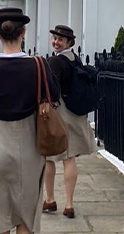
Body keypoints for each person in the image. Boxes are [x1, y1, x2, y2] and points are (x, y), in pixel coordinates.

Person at [0, 8, 60, 234]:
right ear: (23, 33)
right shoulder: (38, 65)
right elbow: (55, 96)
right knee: (25, 219)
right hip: (30, 147)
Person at [42, 25, 97, 219]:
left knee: (49, 158)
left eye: (60, 40)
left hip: (59, 113)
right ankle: (69, 204)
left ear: (69, 42)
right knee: (70, 158)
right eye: (55, 38)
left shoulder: (55, 61)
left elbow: (48, 89)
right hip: (75, 114)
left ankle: (50, 200)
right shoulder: (75, 59)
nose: (56, 42)